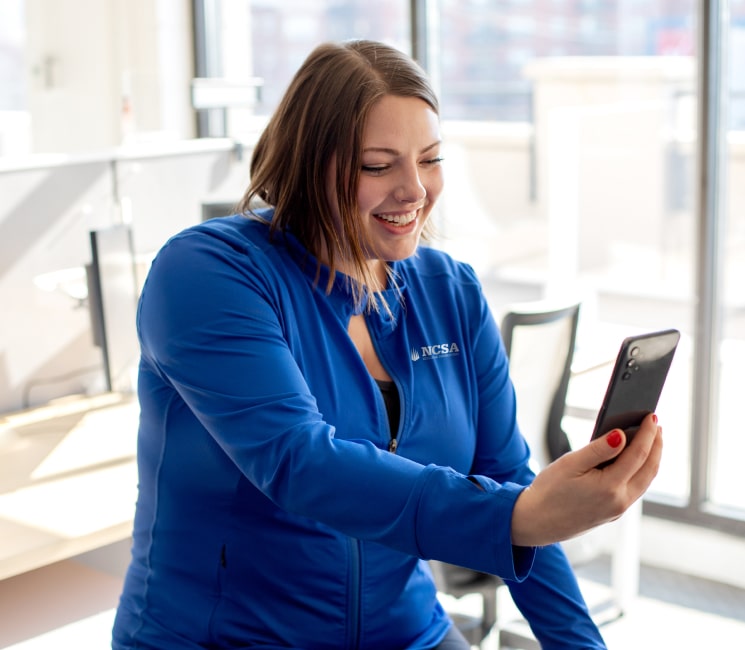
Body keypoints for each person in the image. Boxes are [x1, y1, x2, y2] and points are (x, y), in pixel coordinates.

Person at [112, 39, 662, 650]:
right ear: (306, 165)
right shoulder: (208, 273)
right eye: (379, 165)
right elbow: (299, 462)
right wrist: (513, 518)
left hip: (406, 632)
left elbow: (506, 472)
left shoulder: (450, 291)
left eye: (430, 159)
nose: (415, 191)